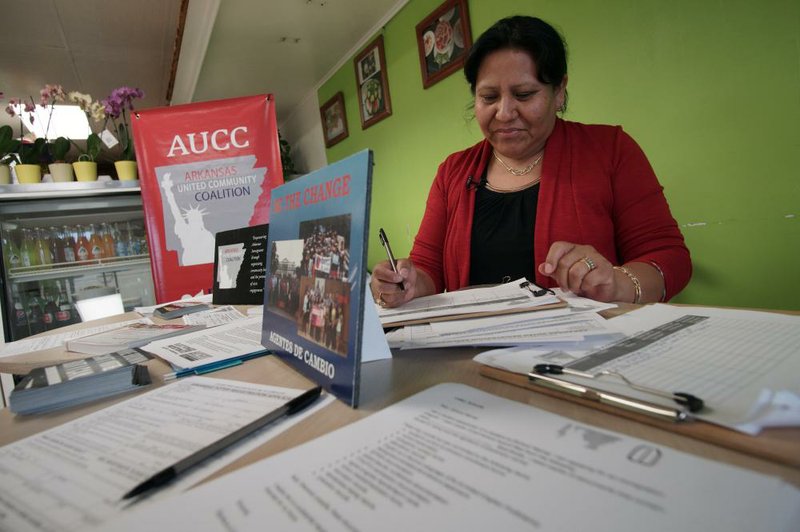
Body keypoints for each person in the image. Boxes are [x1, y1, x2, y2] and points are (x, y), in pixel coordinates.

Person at [370, 15, 691, 307]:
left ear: (559, 91)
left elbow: (670, 258)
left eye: (524, 95)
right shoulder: (452, 173)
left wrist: (616, 284)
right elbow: (428, 269)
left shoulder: (610, 150)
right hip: (473, 358)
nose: (505, 113)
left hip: (584, 359)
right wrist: (406, 283)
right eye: (489, 97)